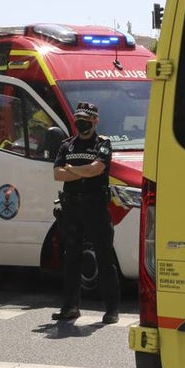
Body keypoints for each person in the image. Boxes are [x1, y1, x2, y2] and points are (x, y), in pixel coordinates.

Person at [51, 101, 120, 325]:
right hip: (71, 207)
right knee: (71, 257)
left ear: (95, 120)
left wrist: (73, 170)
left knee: (104, 257)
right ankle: (70, 307)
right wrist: (83, 172)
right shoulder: (66, 145)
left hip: (95, 207)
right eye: (78, 118)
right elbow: (58, 175)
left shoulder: (103, 144)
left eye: (86, 118)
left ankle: (111, 309)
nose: (81, 122)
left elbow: (96, 169)